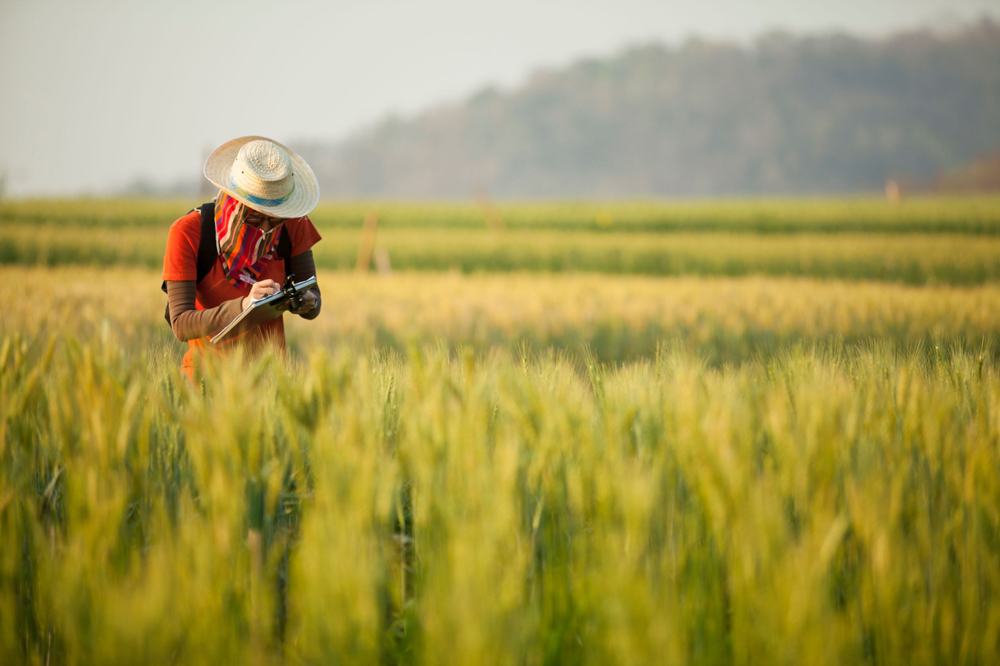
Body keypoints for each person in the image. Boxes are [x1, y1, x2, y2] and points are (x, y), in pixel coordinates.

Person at [162, 136, 323, 380]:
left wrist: (306, 301)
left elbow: (314, 301)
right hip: (207, 384)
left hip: (273, 385)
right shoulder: (188, 233)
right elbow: (181, 324)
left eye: (276, 218)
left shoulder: (294, 226)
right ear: (234, 200)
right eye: (256, 218)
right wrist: (244, 306)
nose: (266, 229)